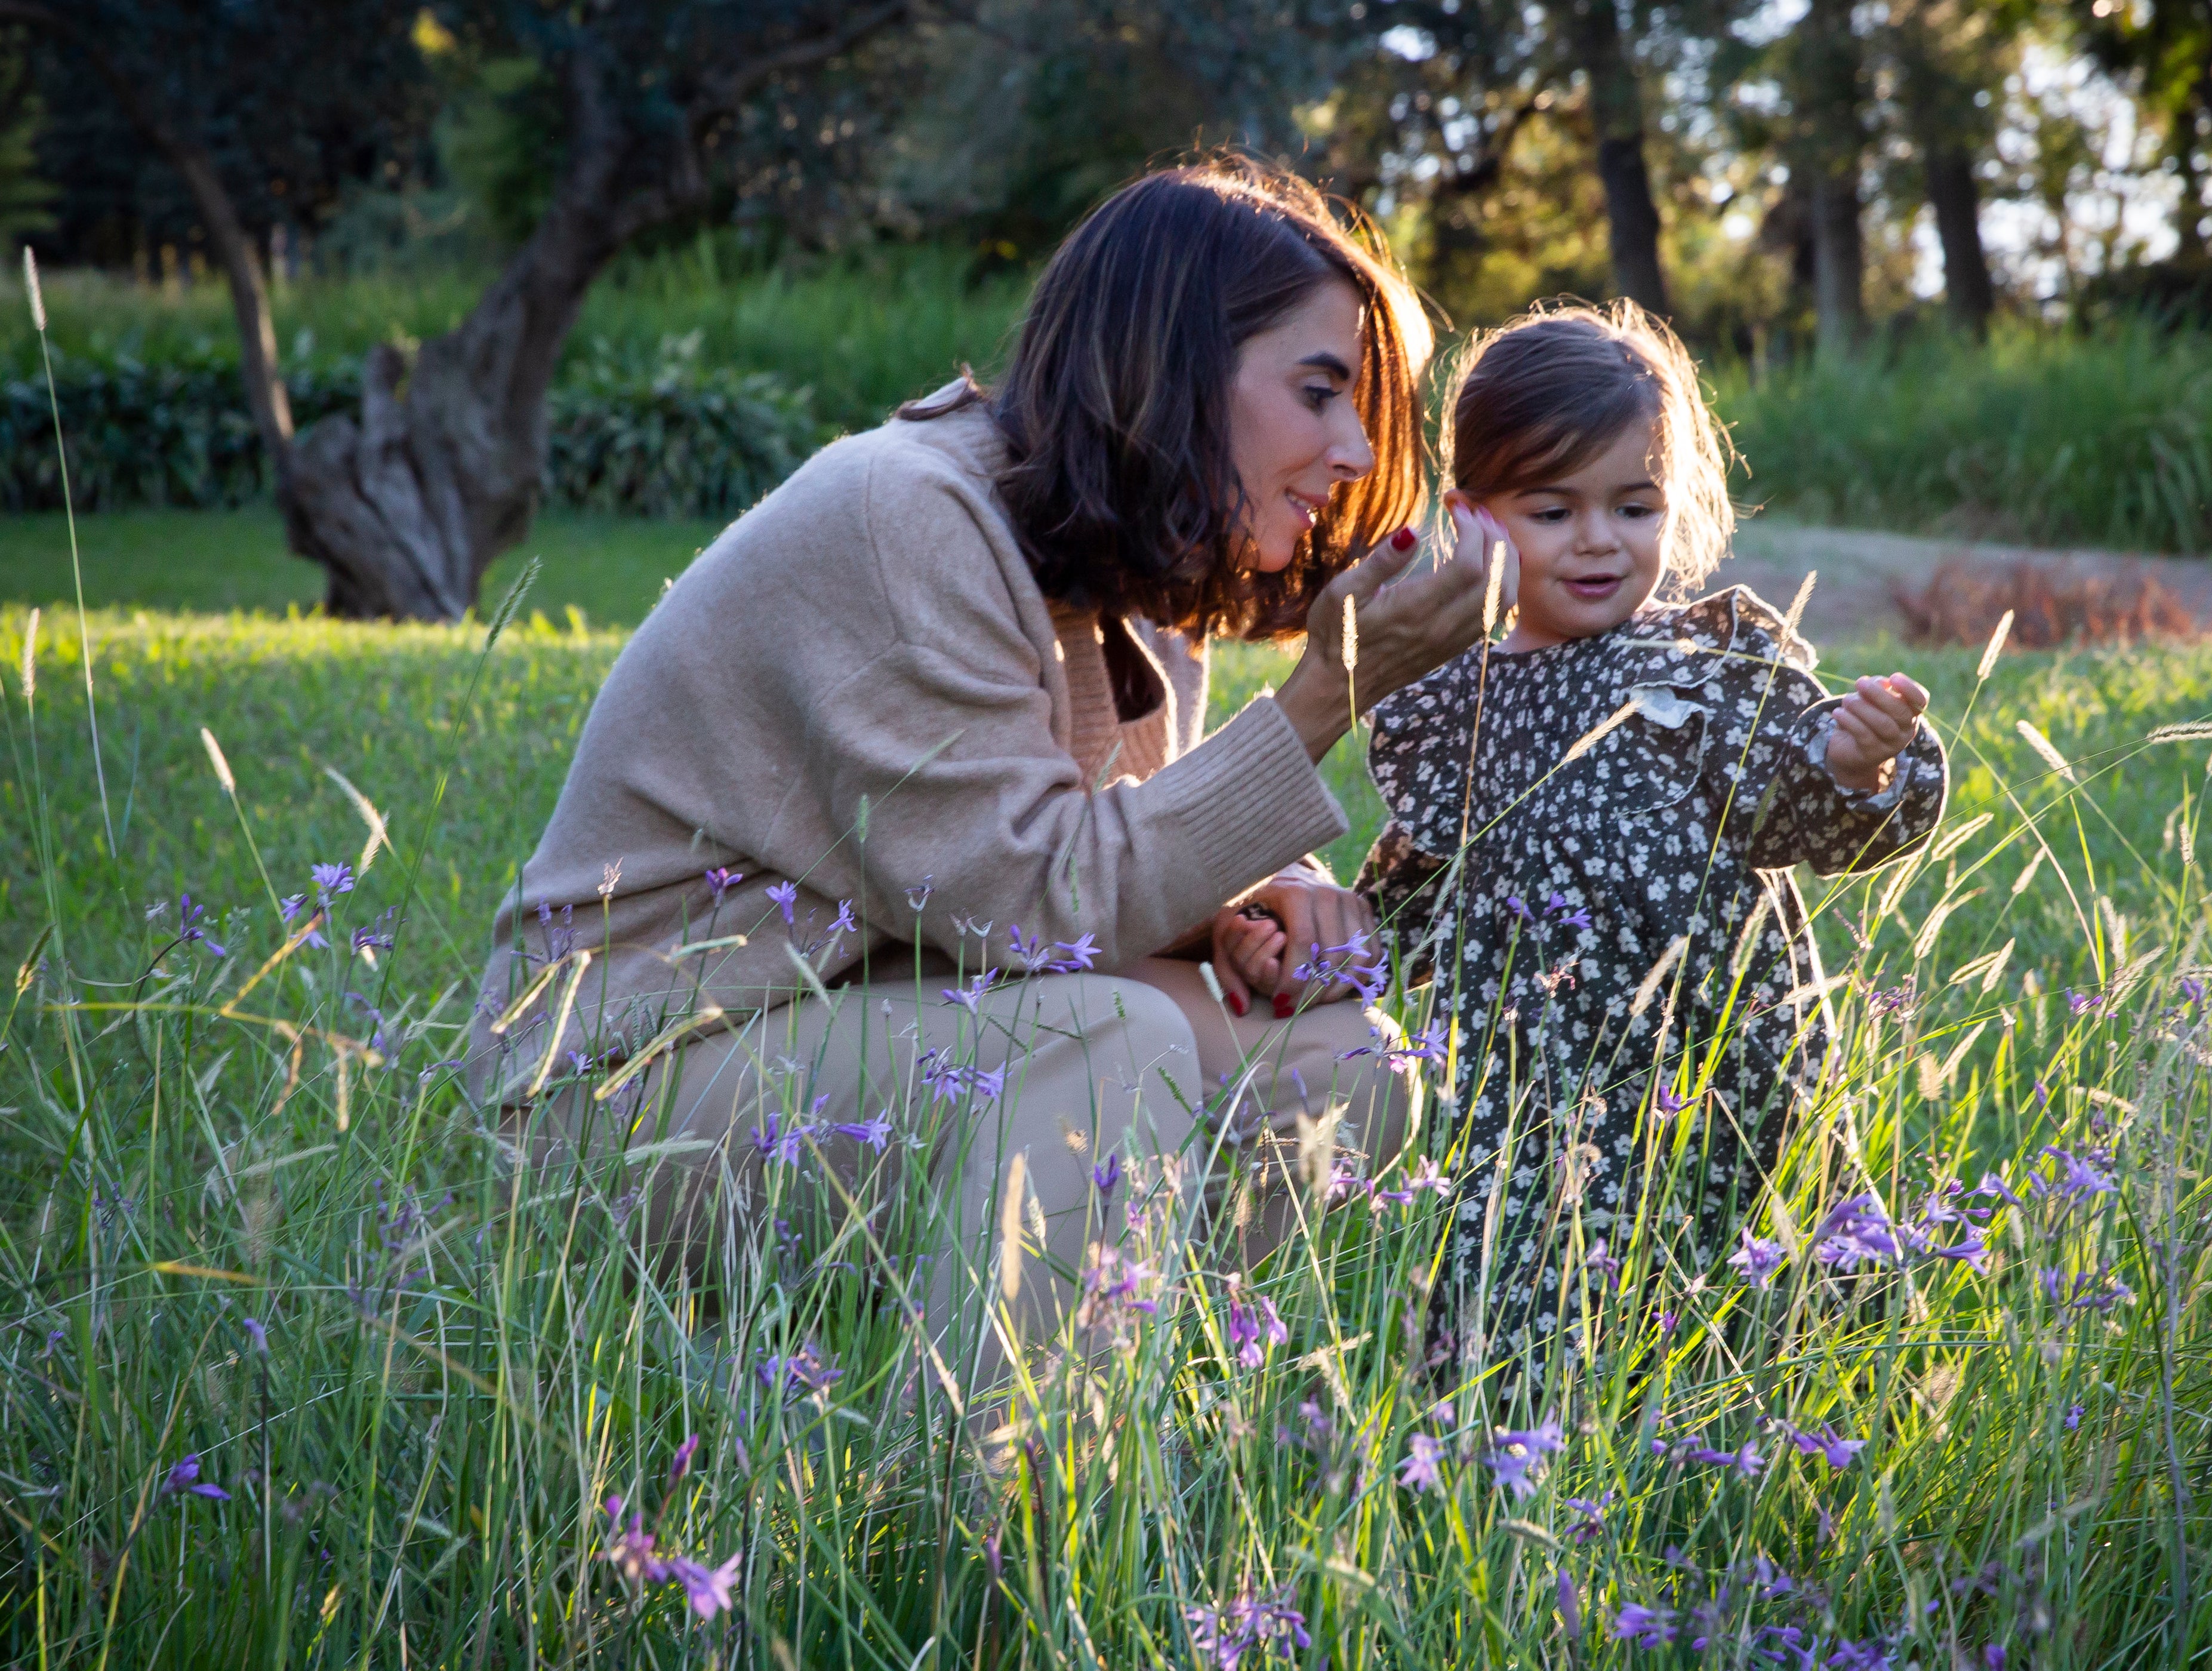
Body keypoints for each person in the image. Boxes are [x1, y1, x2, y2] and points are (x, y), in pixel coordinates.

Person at [468, 157, 1505, 1388]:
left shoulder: (1134, 575)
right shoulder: (904, 517)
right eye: (1321, 391)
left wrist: (1236, 902)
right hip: (619, 1099)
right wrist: (1326, 690)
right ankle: (984, 1518)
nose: (1352, 450)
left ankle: (1127, 1410)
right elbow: (1038, 906)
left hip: (853, 1028)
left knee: (1353, 1070)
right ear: (1170, 364)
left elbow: (1023, 874)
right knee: (1106, 1042)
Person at [1355, 302, 1949, 1387]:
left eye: (1633, 506)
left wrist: (1862, 765)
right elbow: (1409, 890)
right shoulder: (1453, 706)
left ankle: (1754, 1450)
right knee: (1526, 1323)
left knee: (1739, 1301)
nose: (1597, 539)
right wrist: (1326, 956)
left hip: (1712, 1079)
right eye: (1551, 508)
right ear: (1473, 520)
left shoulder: (1705, 676)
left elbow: (1809, 811)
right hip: (1525, 1102)